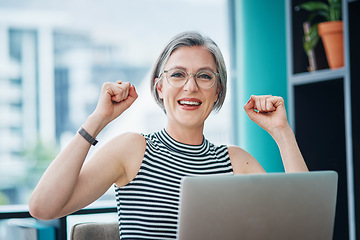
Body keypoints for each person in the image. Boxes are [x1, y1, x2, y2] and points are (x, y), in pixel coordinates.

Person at [29, 31, 308, 239]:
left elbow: (305, 227)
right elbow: (43, 207)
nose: (191, 87)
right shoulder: (132, 149)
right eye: (177, 75)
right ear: (160, 87)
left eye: (204, 76)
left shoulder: (236, 161)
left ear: (218, 91)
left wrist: (282, 132)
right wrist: (97, 120)